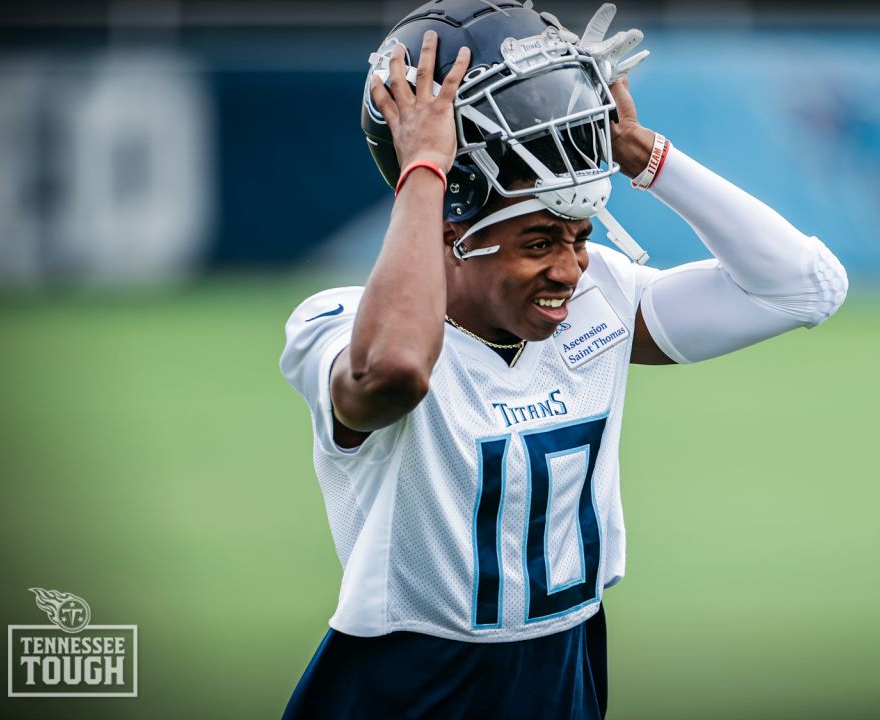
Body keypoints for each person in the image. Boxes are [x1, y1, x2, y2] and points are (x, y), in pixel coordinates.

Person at [279, 2, 848, 717]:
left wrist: (646, 157)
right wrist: (427, 167)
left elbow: (807, 287)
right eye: (540, 242)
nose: (572, 270)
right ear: (454, 226)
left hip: (565, 670)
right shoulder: (337, 323)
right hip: (406, 686)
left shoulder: (601, 298)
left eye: (579, 236)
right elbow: (396, 371)